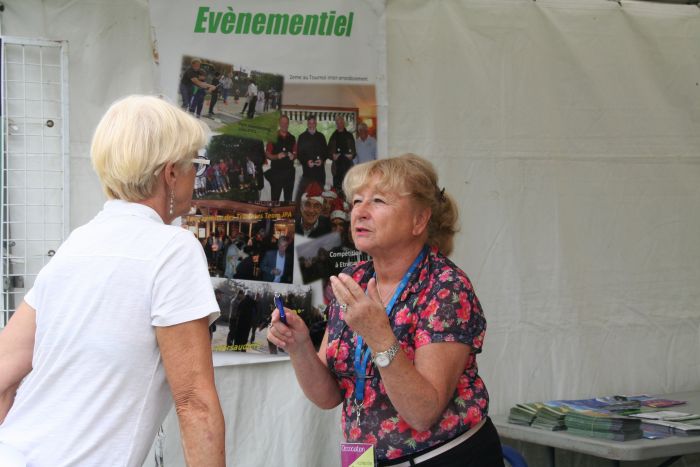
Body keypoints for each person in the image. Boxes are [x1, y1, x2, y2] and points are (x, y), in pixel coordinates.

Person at [0, 95, 225, 466]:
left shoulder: (77, 243)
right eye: (194, 166)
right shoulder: (173, 248)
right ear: (170, 174)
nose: (195, 179)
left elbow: (4, 373)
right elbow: (194, 404)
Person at [268, 154, 503, 466]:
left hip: (444, 458)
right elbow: (329, 397)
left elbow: (423, 413)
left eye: (377, 201)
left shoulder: (445, 287)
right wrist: (299, 346)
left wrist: (379, 335)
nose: (359, 213)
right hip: (366, 460)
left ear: (419, 220)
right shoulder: (354, 278)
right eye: (357, 201)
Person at [295, 115, 328, 204]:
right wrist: (306, 162)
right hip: (307, 174)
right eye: (310, 123)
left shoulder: (321, 136)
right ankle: (307, 217)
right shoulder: (302, 137)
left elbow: (326, 152)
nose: (311, 125)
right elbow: (299, 154)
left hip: (320, 174)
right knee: (307, 200)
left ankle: (319, 217)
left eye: (313, 123)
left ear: (316, 123)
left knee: (319, 199)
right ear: (307, 124)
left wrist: (322, 160)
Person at [265, 115, 297, 202]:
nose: (284, 124)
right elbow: (267, 154)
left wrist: (293, 156)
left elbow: (295, 153)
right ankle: (274, 215)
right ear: (279, 123)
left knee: (288, 199)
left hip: (289, 173)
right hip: (276, 173)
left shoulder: (292, 138)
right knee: (275, 199)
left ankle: (287, 215)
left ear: (288, 124)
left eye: (286, 123)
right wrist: (276, 156)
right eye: (282, 122)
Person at [328, 115, 356, 192]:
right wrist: (332, 156)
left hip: (348, 166)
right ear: (336, 124)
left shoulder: (349, 135)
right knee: (337, 191)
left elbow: (354, 151)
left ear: (343, 123)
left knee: (348, 189)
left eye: (340, 122)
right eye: (337, 123)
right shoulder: (333, 136)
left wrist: (352, 155)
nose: (339, 124)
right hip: (337, 168)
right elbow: (328, 151)